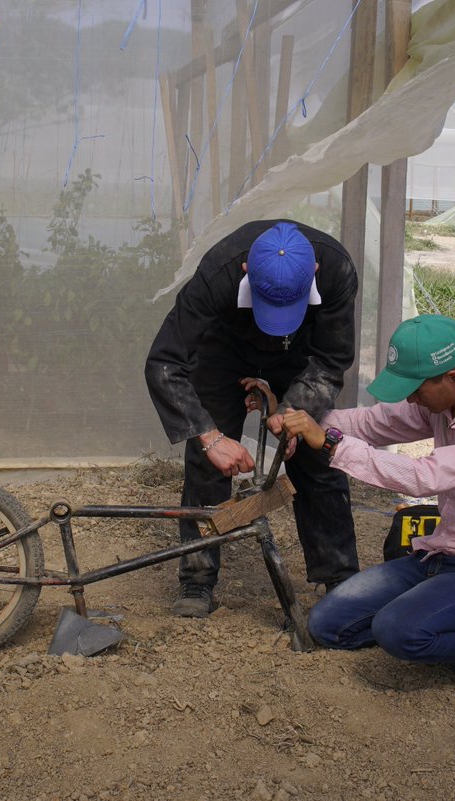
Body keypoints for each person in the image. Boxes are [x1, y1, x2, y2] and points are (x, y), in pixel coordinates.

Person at [280, 314, 455, 707]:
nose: (410, 399)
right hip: (441, 556)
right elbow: (372, 423)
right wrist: (297, 419)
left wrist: (331, 445)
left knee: (397, 630)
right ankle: (426, 620)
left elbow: (425, 476)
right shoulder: (441, 401)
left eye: (415, 389)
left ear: (452, 378)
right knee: (327, 625)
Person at [145, 220, 360, 618]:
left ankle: (340, 579)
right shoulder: (216, 275)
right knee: (207, 464)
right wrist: (211, 437)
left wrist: (295, 410)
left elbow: (331, 360)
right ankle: (197, 578)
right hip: (223, 350)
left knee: (316, 453)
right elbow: (164, 364)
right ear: (246, 271)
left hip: (299, 352)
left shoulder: (337, 269)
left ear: (314, 272)